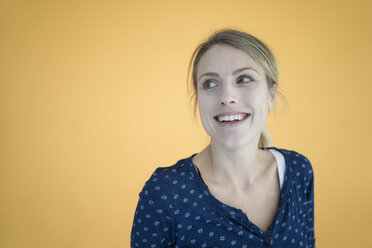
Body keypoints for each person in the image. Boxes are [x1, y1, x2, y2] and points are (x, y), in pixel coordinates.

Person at [131, 29, 315, 247]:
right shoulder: (164, 193)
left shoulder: (298, 171)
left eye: (244, 79)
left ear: (271, 95)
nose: (227, 97)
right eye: (210, 83)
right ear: (198, 99)